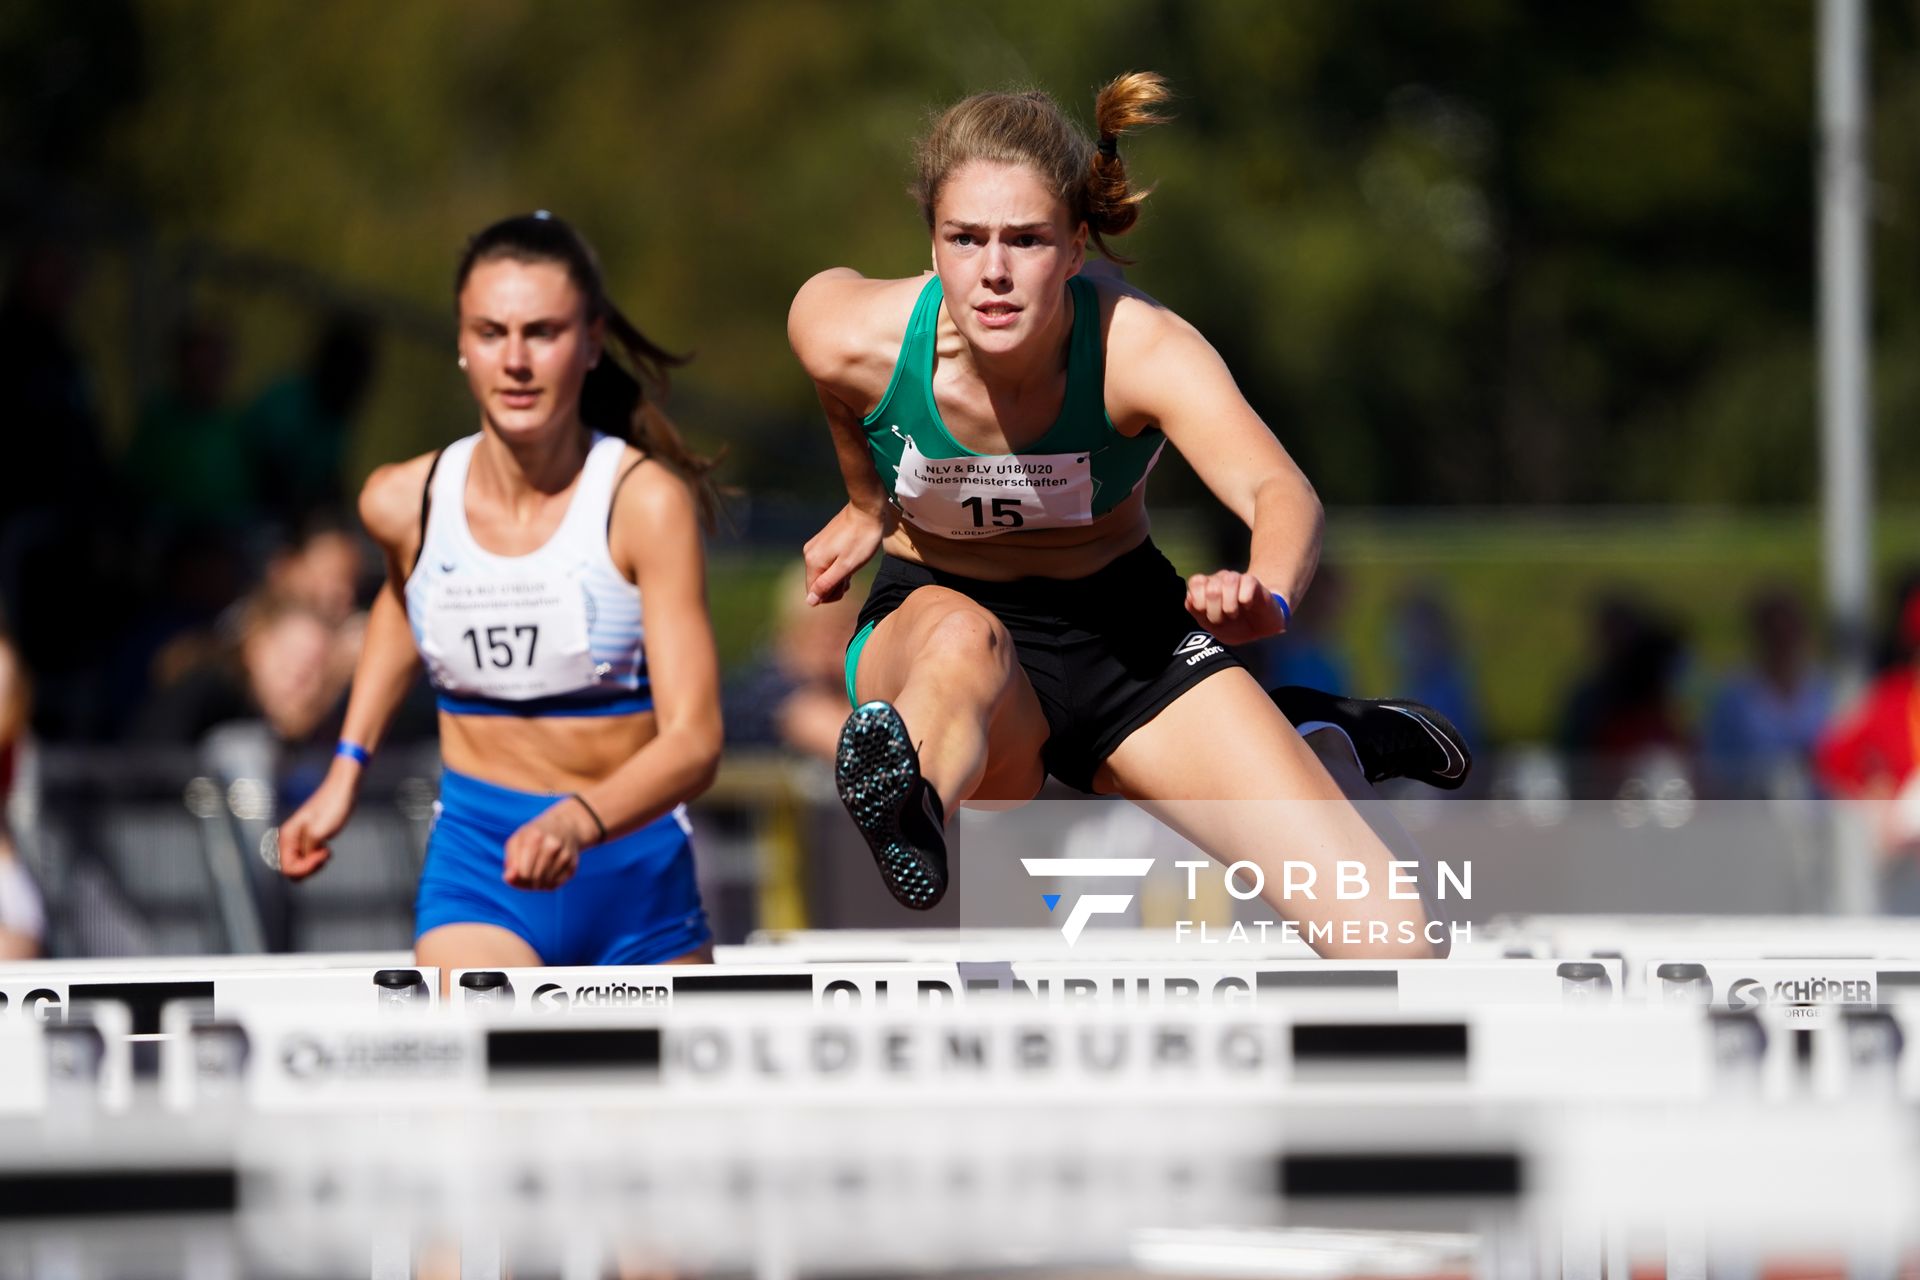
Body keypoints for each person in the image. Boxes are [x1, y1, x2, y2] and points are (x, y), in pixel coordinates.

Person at [788, 74, 1467, 957]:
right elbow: (839, 389)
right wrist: (862, 501)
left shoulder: (1139, 348)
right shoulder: (848, 331)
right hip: (941, 622)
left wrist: (1272, 589)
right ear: (933, 245)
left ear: (1077, 248)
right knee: (964, 650)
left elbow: (1279, 489)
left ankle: (1311, 736)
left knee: (1398, 946)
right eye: (966, 239)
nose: (992, 272)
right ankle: (909, 802)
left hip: (1129, 643)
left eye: (1026, 240)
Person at [274, 212, 724, 975]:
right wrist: (345, 772)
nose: (515, 360)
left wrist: (579, 823)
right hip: (480, 875)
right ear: (460, 342)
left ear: (589, 341)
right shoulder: (401, 502)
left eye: (542, 332)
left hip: (632, 883)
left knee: (642, 1097)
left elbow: (696, 741)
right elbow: (402, 601)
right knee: (489, 1066)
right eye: (490, 332)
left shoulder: (643, 506)